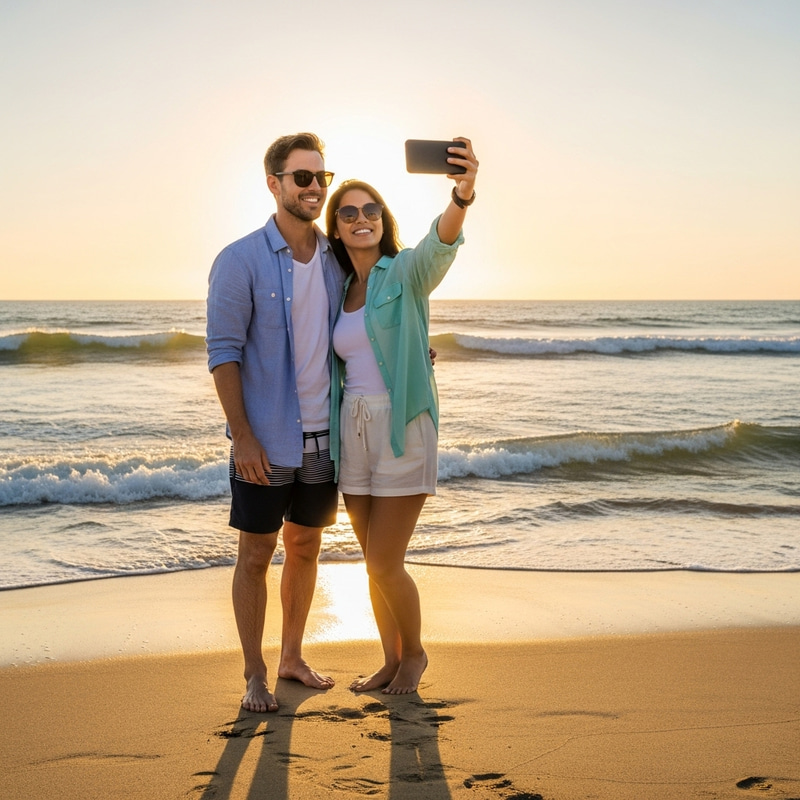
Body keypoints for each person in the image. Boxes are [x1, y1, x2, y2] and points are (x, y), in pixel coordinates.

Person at [325, 138, 479, 694]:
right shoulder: (338, 287)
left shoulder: (406, 272)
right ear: (336, 228)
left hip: (402, 424)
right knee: (370, 563)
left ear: (381, 220)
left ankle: (413, 656)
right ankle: (389, 660)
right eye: (348, 213)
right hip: (353, 430)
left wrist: (462, 192)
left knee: (387, 562)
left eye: (370, 211)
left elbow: (442, 243)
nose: (360, 219)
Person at [206, 132, 344, 713]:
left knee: (306, 547)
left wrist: (413, 350)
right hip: (265, 441)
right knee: (256, 555)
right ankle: (254, 674)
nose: (315, 188)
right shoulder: (240, 259)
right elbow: (223, 351)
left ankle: (291, 656)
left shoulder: (338, 259)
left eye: (321, 178)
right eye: (302, 177)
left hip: (323, 439)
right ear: (274, 183)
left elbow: (364, 328)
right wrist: (243, 436)